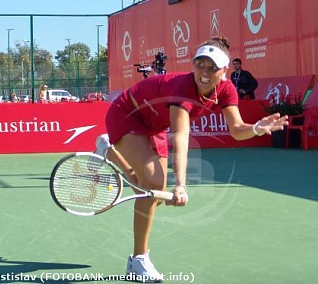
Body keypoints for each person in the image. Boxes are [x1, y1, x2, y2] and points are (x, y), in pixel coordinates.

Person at [93, 36, 288, 283]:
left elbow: (238, 129)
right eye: (200, 64)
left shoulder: (226, 90)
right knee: (153, 184)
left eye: (212, 67)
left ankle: (108, 150)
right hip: (127, 113)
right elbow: (182, 138)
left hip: (153, 123)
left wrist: (257, 128)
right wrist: (181, 185)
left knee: (151, 193)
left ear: (225, 71)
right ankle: (139, 260)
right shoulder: (183, 88)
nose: (204, 72)